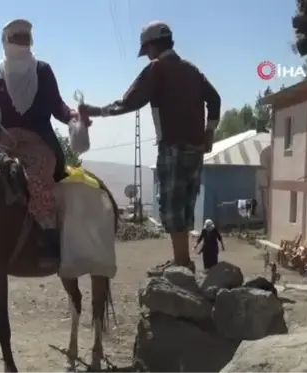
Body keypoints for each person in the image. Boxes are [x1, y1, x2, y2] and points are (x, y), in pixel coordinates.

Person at [79, 21, 221, 270]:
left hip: (173, 148)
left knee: (171, 206)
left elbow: (129, 102)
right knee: (186, 204)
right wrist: (210, 131)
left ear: (153, 46)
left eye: (147, 52)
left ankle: (181, 261)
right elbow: (215, 99)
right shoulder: (191, 70)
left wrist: (95, 111)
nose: (147, 57)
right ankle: (182, 258)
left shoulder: (157, 69)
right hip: (196, 148)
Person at [0, 19, 77, 267]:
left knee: (36, 176)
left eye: (25, 37)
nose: (21, 42)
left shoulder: (42, 70)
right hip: (2, 143)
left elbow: (58, 106)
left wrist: (73, 115)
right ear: (5, 40)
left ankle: (48, 238)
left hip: (37, 142)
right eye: (15, 37)